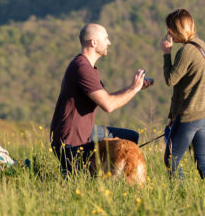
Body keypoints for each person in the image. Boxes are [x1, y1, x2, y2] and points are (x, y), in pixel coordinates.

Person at [50, 23, 151, 175]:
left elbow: (106, 97)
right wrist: (133, 89)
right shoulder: (82, 68)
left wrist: (134, 87)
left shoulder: (86, 67)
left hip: (84, 133)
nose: (109, 42)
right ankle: (117, 180)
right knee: (81, 177)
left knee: (131, 138)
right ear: (94, 42)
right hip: (71, 143)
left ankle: (120, 176)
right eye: (106, 38)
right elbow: (108, 105)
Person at [160, 8, 205, 184]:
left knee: (171, 161)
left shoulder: (186, 51)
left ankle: (180, 198)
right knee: (202, 162)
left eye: (169, 30)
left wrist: (166, 54)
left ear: (175, 31)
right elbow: (186, 87)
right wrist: (173, 116)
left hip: (191, 114)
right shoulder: (202, 45)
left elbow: (171, 80)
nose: (168, 33)